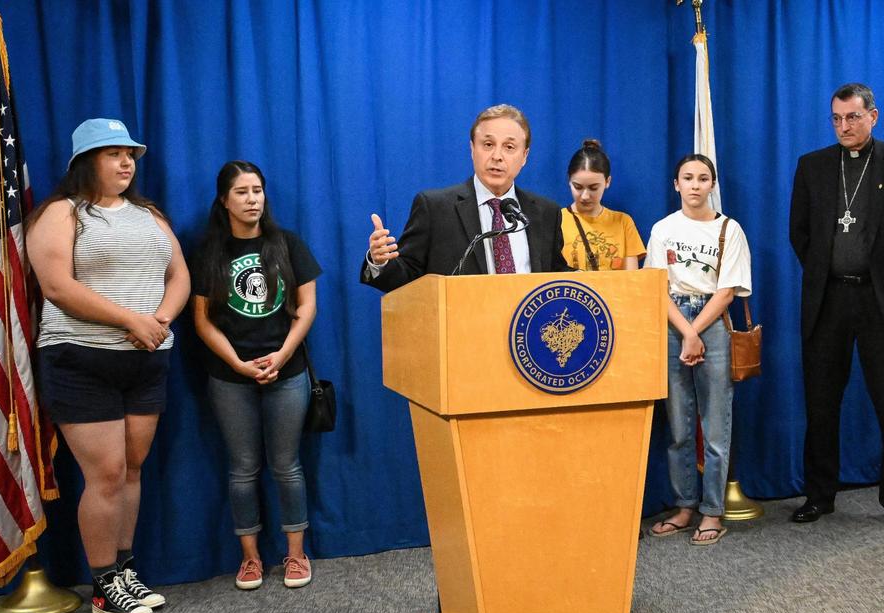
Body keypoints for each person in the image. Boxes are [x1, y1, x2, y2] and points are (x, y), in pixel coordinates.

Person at [26, 118, 189, 613]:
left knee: (132, 469)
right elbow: (57, 286)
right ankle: (102, 586)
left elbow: (179, 275)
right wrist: (130, 321)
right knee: (107, 474)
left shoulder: (149, 214)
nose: (125, 163)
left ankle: (123, 569)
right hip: (81, 360)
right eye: (113, 153)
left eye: (130, 155)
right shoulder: (60, 212)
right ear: (85, 161)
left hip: (146, 361)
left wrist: (159, 321)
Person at [788, 83, 884, 532]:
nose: (844, 126)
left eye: (852, 117)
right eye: (836, 119)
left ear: (873, 115)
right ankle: (819, 495)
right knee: (821, 405)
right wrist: (828, 272)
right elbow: (800, 234)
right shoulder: (812, 166)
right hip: (828, 300)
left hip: (881, 301)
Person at [192, 161, 322, 587]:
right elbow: (202, 321)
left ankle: (296, 555)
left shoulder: (288, 244)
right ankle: (250, 558)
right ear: (224, 200)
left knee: (287, 465)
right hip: (231, 378)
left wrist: (282, 355)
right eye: (242, 192)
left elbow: (307, 307)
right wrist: (236, 363)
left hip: (287, 373)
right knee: (243, 469)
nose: (252, 200)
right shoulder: (209, 252)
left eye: (258, 190)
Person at [644, 154, 752, 545]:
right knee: (679, 425)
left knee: (716, 424)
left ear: (712, 185)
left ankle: (712, 511)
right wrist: (686, 333)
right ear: (676, 184)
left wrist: (696, 331)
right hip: (674, 320)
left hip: (714, 322)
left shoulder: (729, 229)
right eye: (687, 178)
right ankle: (684, 505)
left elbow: (727, 291)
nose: (694, 185)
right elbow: (656, 287)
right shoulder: (663, 229)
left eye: (703, 178)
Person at [361, 104, 570, 291]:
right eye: (488, 144)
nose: (497, 156)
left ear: (524, 156)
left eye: (509, 147)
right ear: (472, 149)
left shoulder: (546, 213)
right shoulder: (435, 208)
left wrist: (588, 280)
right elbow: (408, 277)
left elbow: (557, 279)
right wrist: (380, 262)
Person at [560, 139, 645, 271]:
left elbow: (632, 278)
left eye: (593, 188)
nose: (585, 196)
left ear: (607, 182)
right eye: (578, 187)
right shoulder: (556, 221)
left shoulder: (623, 223)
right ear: (569, 180)